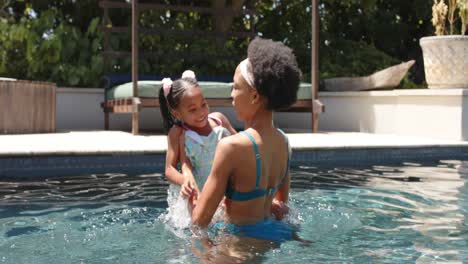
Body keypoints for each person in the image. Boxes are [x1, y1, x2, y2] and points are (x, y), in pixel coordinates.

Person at [188, 37, 302, 243]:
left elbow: (199, 221)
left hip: (235, 247)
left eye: (236, 87)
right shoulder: (284, 143)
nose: (231, 94)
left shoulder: (231, 147)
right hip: (270, 243)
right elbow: (281, 205)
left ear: (255, 96)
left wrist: (191, 202)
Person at [159, 70, 237, 198]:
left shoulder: (219, 120)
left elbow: (243, 144)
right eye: (193, 110)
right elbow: (169, 169)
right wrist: (185, 181)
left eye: (203, 104)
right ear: (176, 113)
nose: (201, 112)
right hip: (200, 196)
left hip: (228, 192)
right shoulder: (178, 132)